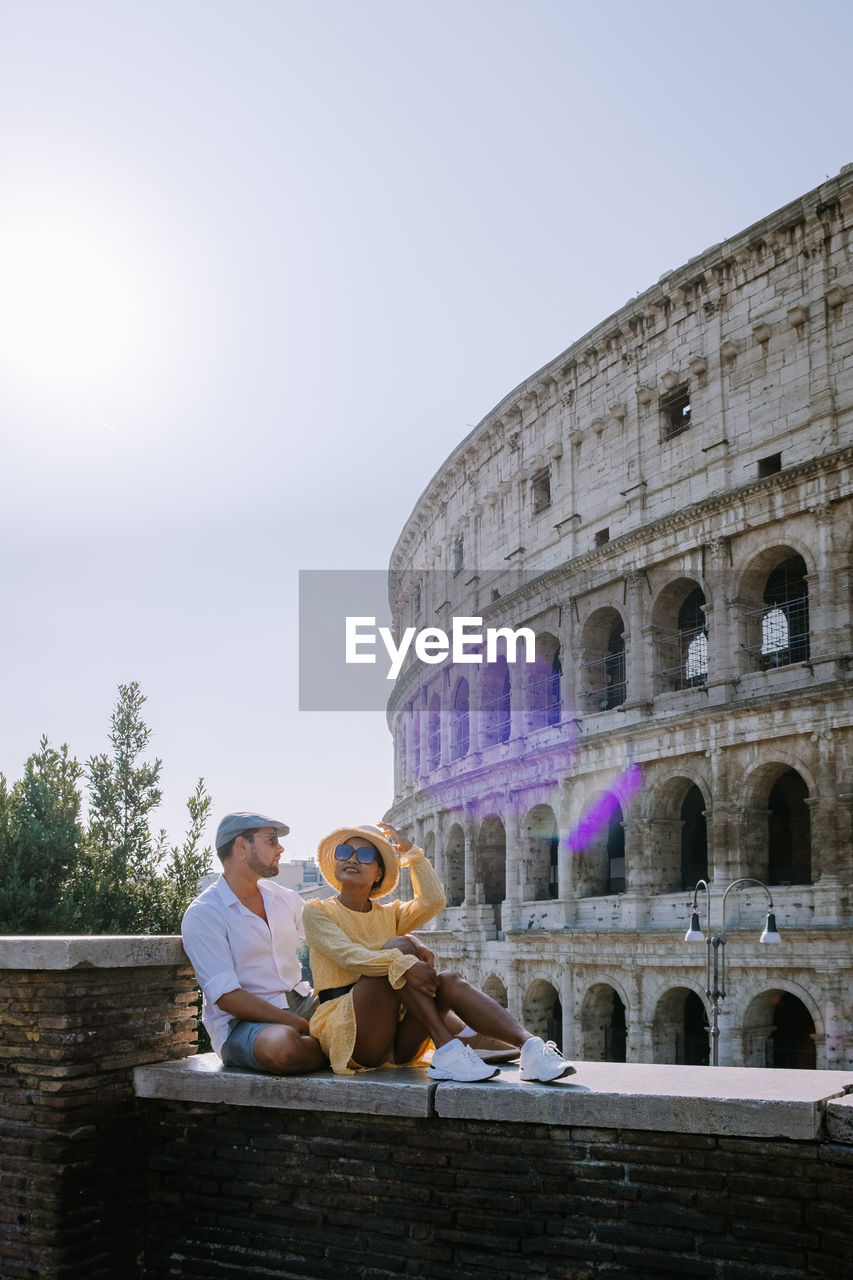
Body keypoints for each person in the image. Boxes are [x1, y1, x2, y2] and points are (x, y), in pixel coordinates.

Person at [303, 820, 575, 1083]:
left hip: (396, 1040)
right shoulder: (317, 911)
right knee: (400, 947)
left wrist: (413, 853)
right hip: (349, 1034)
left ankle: (530, 1048)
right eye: (343, 852)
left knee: (447, 980)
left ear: (378, 873)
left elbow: (433, 900)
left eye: (364, 855)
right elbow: (347, 955)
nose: (351, 859)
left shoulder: (389, 914)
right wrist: (405, 963)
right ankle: (448, 1048)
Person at [181, 811, 326, 1074]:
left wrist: (398, 942)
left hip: (301, 1002)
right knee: (282, 1048)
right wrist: (303, 1026)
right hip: (243, 1024)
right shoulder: (204, 913)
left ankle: (333, 1045)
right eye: (271, 840)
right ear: (242, 846)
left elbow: (327, 934)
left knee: (368, 1005)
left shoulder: (282, 898)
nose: (280, 848)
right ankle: (337, 1049)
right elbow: (228, 999)